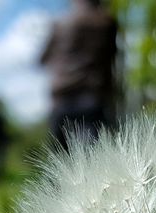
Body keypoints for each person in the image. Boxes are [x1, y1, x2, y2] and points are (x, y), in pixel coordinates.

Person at [39, 0, 119, 151]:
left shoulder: (60, 23)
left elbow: (42, 60)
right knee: (95, 159)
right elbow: (112, 58)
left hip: (62, 99)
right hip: (94, 98)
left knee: (60, 160)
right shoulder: (107, 23)